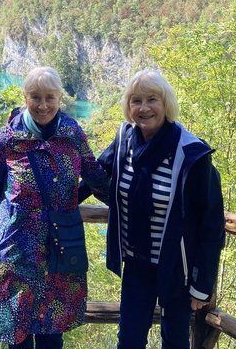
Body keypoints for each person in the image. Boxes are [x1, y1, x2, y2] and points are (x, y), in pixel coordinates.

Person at [81, 70, 225, 349]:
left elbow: (211, 224)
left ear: (166, 104)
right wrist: (59, 203)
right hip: (137, 261)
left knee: (174, 340)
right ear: (128, 106)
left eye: (152, 100)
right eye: (136, 100)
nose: (144, 108)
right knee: (130, 339)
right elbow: (97, 174)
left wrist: (202, 284)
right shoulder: (125, 140)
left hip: (177, 268)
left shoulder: (192, 153)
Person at [0, 66, 110, 349]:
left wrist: (133, 200)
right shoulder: (8, 138)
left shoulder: (72, 135)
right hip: (14, 253)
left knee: (51, 334)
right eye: (36, 97)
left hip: (58, 252)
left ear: (60, 98)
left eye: (50, 97)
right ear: (25, 97)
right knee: (17, 335)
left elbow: (96, 177)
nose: (43, 105)